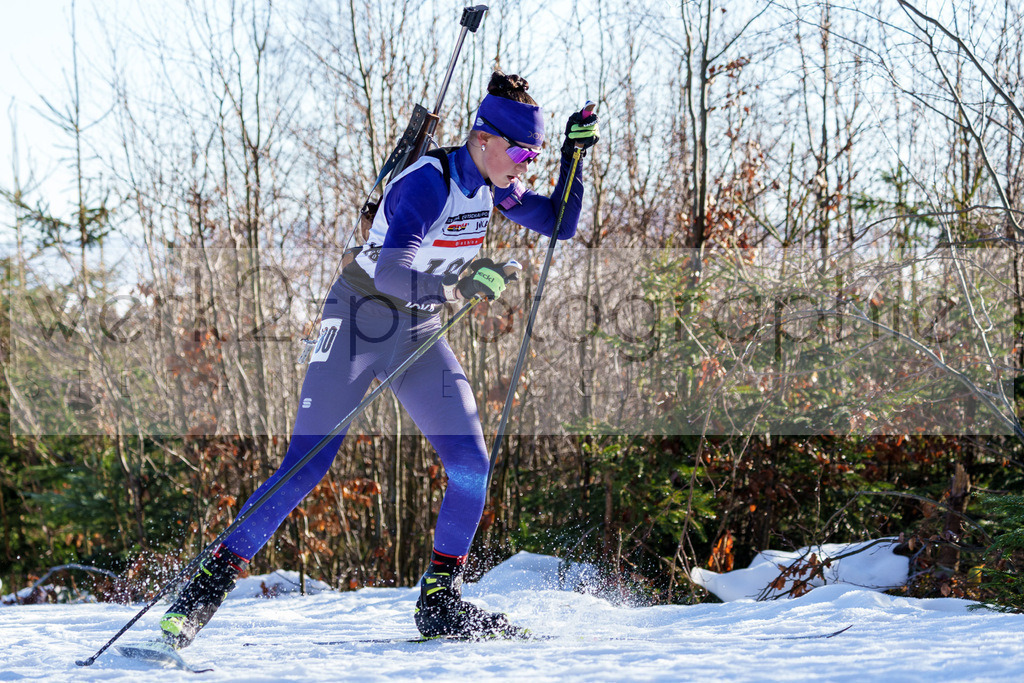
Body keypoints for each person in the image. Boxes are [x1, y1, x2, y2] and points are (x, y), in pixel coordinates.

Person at [158, 70, 599, 647]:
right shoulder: (428, 183)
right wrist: (461, 282)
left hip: (416, 332)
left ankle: (441, 601)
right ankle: (202, 591)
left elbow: (560, 223)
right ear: (483, 138)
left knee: (471, 467)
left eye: (535, 154)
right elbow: (391, 270)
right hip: (359, 322)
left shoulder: (495, 185)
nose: (526, 165)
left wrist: (574, 157)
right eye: (521, 151)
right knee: (306, 465)